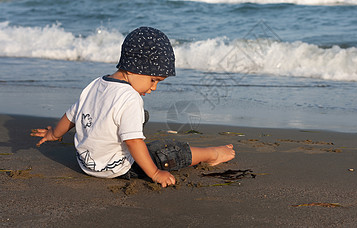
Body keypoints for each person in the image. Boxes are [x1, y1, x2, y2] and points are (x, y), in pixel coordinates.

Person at [31, 26, 235, 187]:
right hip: (115, 169)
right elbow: (134, 142)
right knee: (169, 151)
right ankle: (212, 154)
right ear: (137, 68)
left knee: (140, 117)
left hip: (84, 163)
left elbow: (71, 116)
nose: (154, 88)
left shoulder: (96, 83)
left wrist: (54, 134)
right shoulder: (130, 98)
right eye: (154, 80)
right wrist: (155, 173)